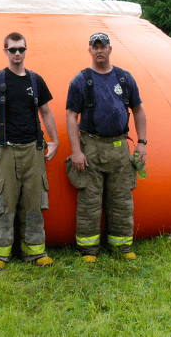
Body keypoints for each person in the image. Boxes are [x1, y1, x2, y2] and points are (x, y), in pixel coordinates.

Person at [0, 32, 59, 270]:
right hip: (5, 152)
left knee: (34, 204)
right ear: (5, 52)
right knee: (3, 203)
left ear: (26, 50)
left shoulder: (36, 81)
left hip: (34, 151)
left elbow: (46, 113)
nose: (17, 54)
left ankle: (35, 253)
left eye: (21, 49)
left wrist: (54, 141)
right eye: (12, 50)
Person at [65, 32, 147, 263]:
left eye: (103, 46)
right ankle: (88, 250)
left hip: (120, 148)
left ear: (110, 49)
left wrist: (141, 142)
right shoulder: (80, 80)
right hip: (90, 148)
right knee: (89, 202)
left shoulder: (124, 78)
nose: (99, 50)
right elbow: (71, 116)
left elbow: (138, 110)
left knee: (122, 201)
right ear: (89, 50)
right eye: (95, 46)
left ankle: (122, 246)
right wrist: (76, 152)